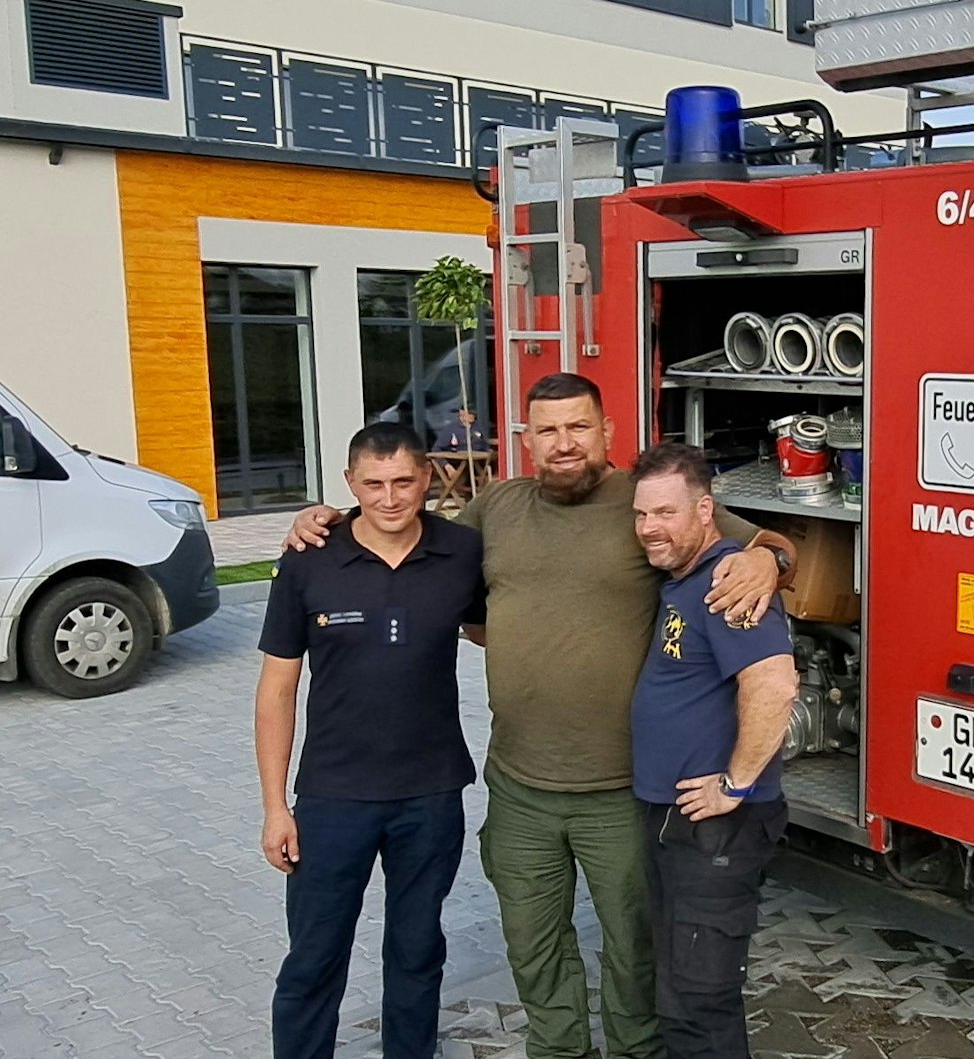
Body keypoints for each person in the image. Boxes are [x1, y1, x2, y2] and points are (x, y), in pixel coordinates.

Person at [285, 373, 796, 1059]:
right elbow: (403, 534)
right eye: (547, 430)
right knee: (534, 946)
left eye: (578, 427)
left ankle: (634, 1051)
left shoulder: (643, 503)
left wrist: (768, 559)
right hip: (519, 785)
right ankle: (558, 1050)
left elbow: (763, 547)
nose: (563, 444)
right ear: (526, 439)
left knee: (633, 948)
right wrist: (324, 521)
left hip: (622, 788)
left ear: (606, 430)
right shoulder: (496, 508)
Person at [255, 423, 487, 1059]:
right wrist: (276, 806)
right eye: (374, 484)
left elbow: (493, 628)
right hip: (333, 799)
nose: (390, 498)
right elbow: (276, 690)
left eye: (404, 482)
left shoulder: (463, 552)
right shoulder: (309, 558)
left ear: (427, 479)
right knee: (313, 959)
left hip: (431, 794)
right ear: (351, 484)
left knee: (416, 953)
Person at [628, 443, 797, 1059]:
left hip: (715, 828)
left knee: (701, 998)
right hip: (682, 822)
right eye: (642, 514)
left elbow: (776, 682)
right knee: (681, 988)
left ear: (705, 511)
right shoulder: (686, 579)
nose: (650, 528)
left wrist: (736, 783)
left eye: (666, 513)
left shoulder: (729, 580)